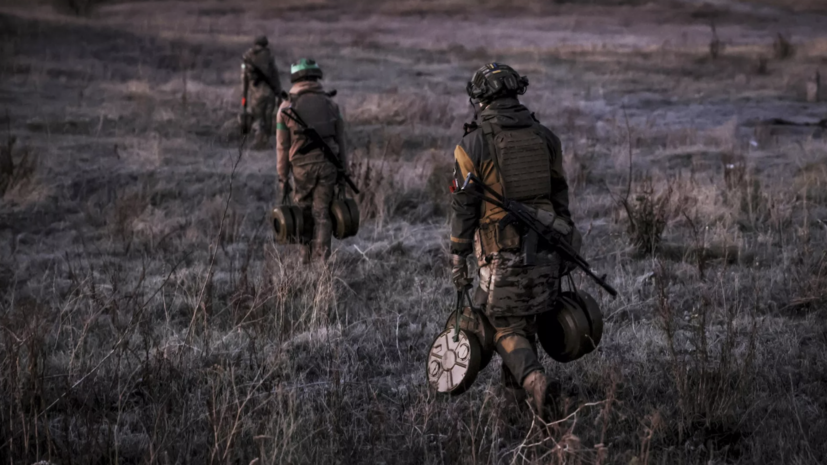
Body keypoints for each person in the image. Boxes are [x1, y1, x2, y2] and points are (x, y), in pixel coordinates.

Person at [449, 63, 577, 418]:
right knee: (526, 322)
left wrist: (458, 256)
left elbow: (463, 206)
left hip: (500, 253)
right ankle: (516, 412)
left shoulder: (472, 143)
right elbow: (560, 197)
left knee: (500, 323)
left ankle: (535, 381)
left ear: (480, 98)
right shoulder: (546, 137)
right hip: (549, 248)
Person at [276, 59, 347, 263]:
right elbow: (341, 140)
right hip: (329, 166)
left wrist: (282, 177)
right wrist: (345, 171)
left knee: (303, 212)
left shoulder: (285, 107)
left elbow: (282, 147)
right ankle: (323, 262)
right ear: (316, 77)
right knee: (322, 213)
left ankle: (304, 260)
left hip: (301, 169)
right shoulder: (332, 105)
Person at [241, 35, 281, 148]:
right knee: (268, 118)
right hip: (270, 93)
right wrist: (279, 95)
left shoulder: (247, 57)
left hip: (256, 94)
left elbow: (244, 79)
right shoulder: (269, 56)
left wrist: (244, 98)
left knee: (258, 118)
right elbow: (275, 77)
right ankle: (266, 141)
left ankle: (258, 140)